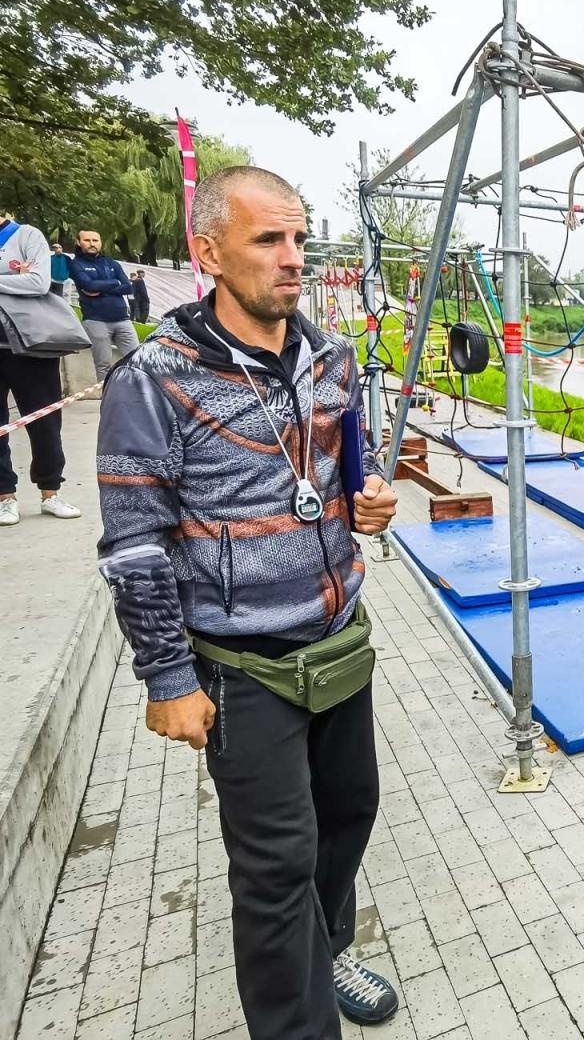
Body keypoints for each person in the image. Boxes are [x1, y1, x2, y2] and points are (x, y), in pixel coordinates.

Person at [96, 165, 400, 1037]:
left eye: (300, 237)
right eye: (269, 239)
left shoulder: (331, 358)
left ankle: (330, 946)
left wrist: (368, 500)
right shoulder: (154, 376)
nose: (293, 256)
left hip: (338, 639)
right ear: (210, 252)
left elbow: (348, 474)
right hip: (239, 669)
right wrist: (165, 675)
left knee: (349, 813)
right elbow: (134, 541)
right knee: (275, 871)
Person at [0, 212, 82, 526]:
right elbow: (22, 281)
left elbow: (37, 282)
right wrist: (12, 279)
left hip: (31, 345)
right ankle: (5, 496)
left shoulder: (26, 235)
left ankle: (51, 491)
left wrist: (22, 279)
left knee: (44, 420)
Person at [68, 228, 138, 381]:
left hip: (122, 319)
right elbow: (88, 285)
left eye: (95, 240)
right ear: (78, 242)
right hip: (95, 320)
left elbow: (128, 286)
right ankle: (107, 401)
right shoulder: (76, 264)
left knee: (137, 361)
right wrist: (114, 282)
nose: (92, 244)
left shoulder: (111, 263)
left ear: (100, 243)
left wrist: (100, 287)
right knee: (103, 365)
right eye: (87, 240)